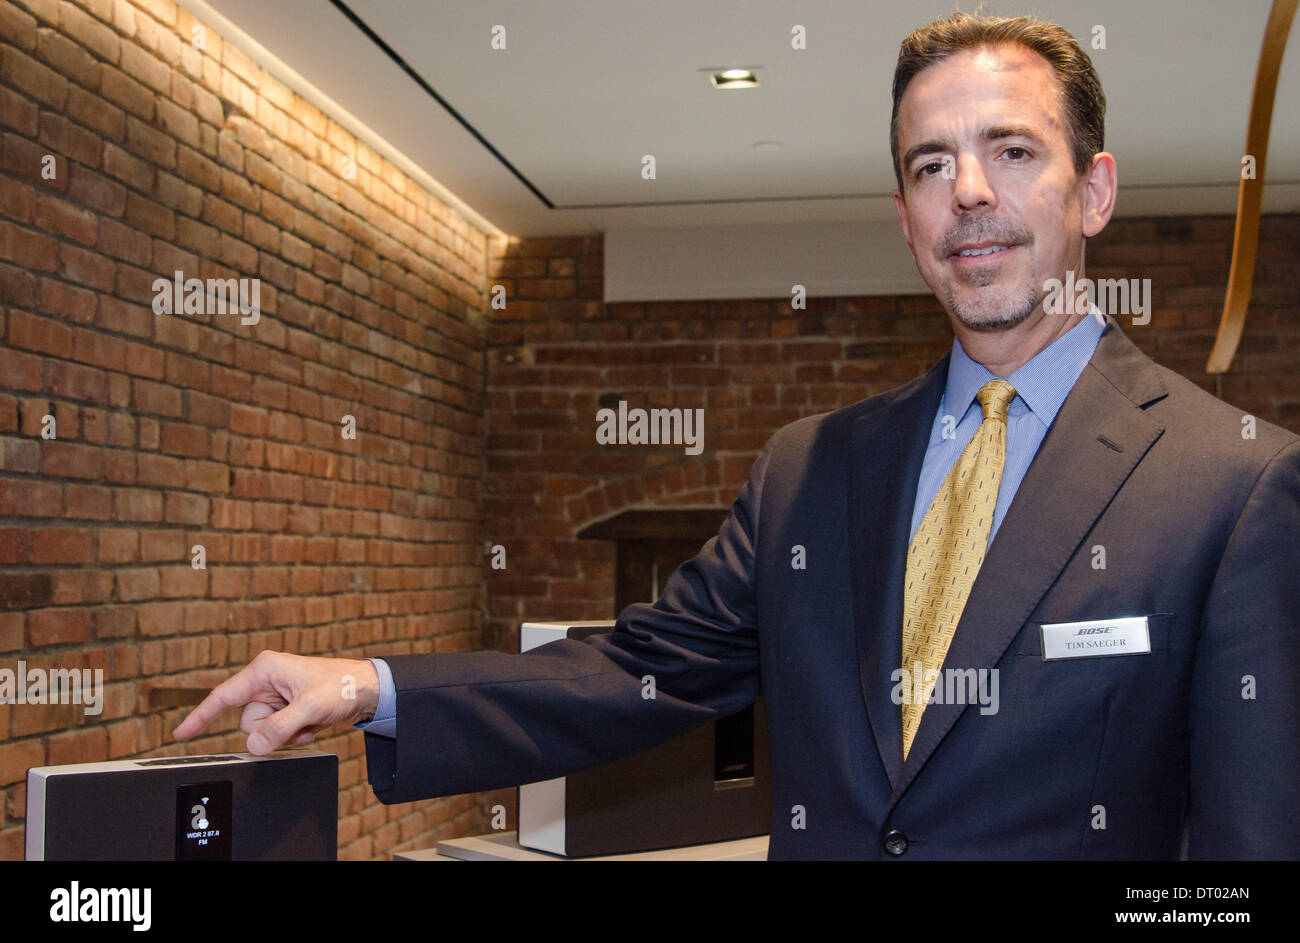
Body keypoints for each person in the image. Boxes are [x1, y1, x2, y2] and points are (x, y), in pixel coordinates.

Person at [173, 12, 1300, 859]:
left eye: (1011, 151)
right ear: (903, 216)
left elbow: (1248, 853)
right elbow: (640, 669)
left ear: (1093, 190)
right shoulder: (812, 470)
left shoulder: (1235, 483)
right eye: (927, 165)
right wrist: (376, 685)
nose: (966, 193)